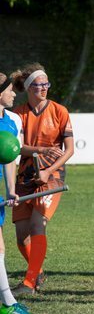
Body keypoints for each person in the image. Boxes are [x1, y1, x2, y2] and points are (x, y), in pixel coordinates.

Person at [10, 64, 74, 296]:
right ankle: (37, 272)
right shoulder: (17, 114)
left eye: (46, 84)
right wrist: (38, 151)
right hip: (24, 177)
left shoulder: (60, 111)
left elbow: (69, 150)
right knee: (21, 235)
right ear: (28, 88)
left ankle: (29, 283)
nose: (44, 88)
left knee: (38, 224)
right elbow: (13, 148)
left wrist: (48, 171)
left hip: (53, 177)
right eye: (38, 85)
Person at [0, 73, 30, 313]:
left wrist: (11, 191)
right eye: (9, 89)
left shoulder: (10, 121)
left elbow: (9, 159)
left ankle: (8, 303)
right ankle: (8, 303)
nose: (13, 93)